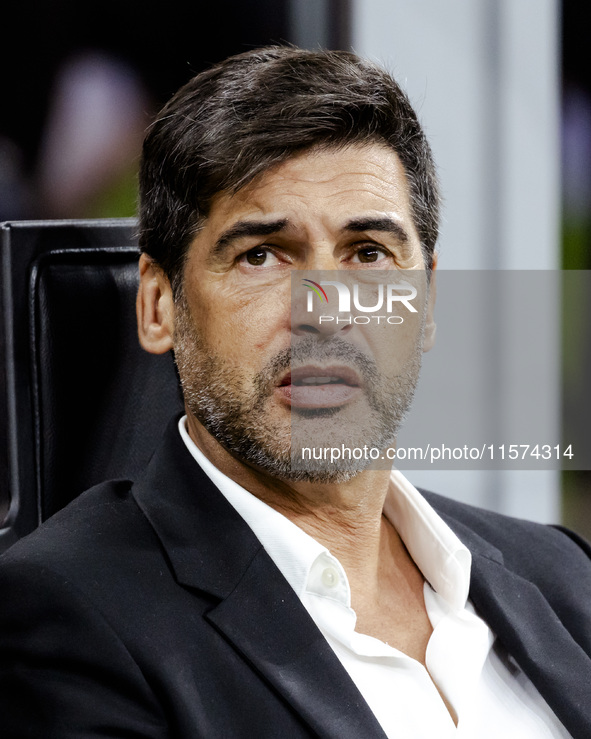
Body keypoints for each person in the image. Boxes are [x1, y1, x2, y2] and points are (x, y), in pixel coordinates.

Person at [0, 46, 589, 739]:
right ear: (158, 306)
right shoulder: (62, 615)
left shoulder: (558, 570)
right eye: (261, 254)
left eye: (367, 252)